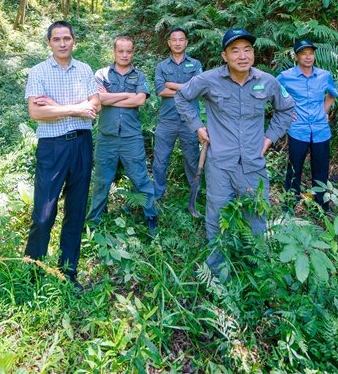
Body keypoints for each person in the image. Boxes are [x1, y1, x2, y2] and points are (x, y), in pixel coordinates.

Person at [175, 28, 295, 273]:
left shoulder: (267, 81)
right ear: (224, 56)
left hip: (253, 163)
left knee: (256, 216)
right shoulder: (209, 80)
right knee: (217, 216)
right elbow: (182, 96)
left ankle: (257, 268)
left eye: (247, 50)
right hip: (220, 164)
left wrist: (270, 138)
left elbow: (286, 109)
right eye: (235, 50)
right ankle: (216, 272)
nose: (242, 56)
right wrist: (197, 127)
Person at [24, 20, 100, 287]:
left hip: (82, 144)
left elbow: (95, 105)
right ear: (49, 43)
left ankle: (68, 272)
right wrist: (76, 109)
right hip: (52, 147)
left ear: (73, 41)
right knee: (44, 213)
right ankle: (33, 271)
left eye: (66, 38)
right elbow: (36, 112)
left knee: (76, 211)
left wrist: (56, 106)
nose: (62, 43)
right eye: (56, 39)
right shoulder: (39, 71)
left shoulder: (85, 69)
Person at [87, 35, 159, 233]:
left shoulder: (139, 76)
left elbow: (140, 101)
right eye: (121, 51)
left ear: (132, 52)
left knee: (140, 178)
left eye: (128, 51)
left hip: (131, 137)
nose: (124, 55)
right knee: (101, 181)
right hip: (106, 137)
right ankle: (94, 221)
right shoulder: (102, 74)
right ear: (114, 52)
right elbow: (98, 99)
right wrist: (128, 95)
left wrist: (110, 97)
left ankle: (151, 217)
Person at [276, 39, 338, 211]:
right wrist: (285, 111)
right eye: (303, 54)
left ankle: (322, 207)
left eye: (311, 53)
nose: (308, 57)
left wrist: (324, 111)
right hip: (298, 129)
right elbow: (273, 92)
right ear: (296, 57)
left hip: (321, 130)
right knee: (294, 169)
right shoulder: (286, 76)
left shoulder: (324, 75)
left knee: (321, 170)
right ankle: (289, 205)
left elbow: (332, 95)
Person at [153, 28, 204, 203]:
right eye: (174, 40)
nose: (177, 43)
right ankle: (157, 195)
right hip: (167, 120)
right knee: (160, 160)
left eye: (181, 39)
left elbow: (197, 89)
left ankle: (195, 196)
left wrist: (172, 85)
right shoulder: (162, 66)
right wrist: (186, 89)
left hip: (190, 121)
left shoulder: (195, 64)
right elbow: (160, 90)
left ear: (186, 42)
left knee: (192, 160)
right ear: (169, 43)